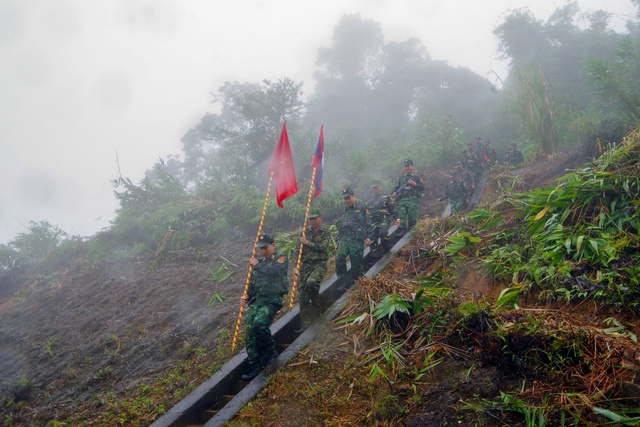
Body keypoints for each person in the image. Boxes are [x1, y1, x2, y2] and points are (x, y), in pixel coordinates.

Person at [240, 234, 288, 381]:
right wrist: (246, 295)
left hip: (271, 300)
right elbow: (253, 283)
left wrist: (257, 265)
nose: (263, 251)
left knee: (259, 324)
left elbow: (275, 271)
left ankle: (270, 353)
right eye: (261, 248)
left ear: (273, 245)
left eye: (265, 247)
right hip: (256, 300)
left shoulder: (281, 258)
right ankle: (255, 365)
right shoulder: (258, 263)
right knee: (250, 331)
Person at [297, 208, 333, 329]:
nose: (312, 221)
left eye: (314, 219)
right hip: (305, 265)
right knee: (303, 294)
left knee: (311, 283)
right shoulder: (304, 232)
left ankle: (318, 310)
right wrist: (295, 266)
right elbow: (298, 251)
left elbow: (323, 247)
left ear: (320, 218)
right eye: (310, 219)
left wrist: (307, 242)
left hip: (319, 264)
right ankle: (305, 324)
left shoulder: (325, 232)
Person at [336, 188, 372, 289]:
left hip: (357, 238)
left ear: (354, 196)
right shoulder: (344, 210)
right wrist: (337, 240)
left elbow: (368, 222)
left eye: (349, 198)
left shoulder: (362, 206)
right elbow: (341, 227)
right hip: (345, 238)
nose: (347, 200)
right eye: (345, 199)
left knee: (356, 261)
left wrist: (368, 237)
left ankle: (357, 281)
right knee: (340, 257)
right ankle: (343, 280)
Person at [392, 159, 425, 236]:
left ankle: (412, 230)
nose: (407, 168)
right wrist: (394, 192)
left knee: (412, 216)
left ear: (412, 166)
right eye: (405, 166)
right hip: (402, 200)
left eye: (408, 166)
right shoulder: (402, 178)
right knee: (402, 215)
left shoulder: (416, 177)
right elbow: (397, 187)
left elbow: (422, 187)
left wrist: (415, 184)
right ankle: (403, 230)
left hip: (412, 199)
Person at [367, 180, 396, 258]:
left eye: (377, 187)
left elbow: (392, 208)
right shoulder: (369, 200)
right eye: (374, 188)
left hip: (383, 219)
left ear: (380, 187)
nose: (375, 189)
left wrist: (397, 218)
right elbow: (367, 214)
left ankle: (387, 250)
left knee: (383, 233)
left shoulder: (386, 196)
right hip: (373, 222)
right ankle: (375, 258)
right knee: (372, 239)